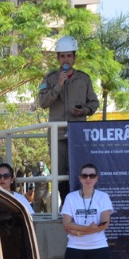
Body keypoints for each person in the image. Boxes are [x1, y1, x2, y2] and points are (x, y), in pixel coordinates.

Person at [38, 35, 99, 205]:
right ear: (58, 58)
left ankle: (81, 206)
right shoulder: (50, 78)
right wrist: (58, 86)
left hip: (77, 134)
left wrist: (83, 111)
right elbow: (42, 103)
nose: (66, 59)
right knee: (59, 174)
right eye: (62, 56)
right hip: (57, 135)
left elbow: (94, 103)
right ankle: (67, 206)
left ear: (74, 57)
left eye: (69, 56)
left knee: (79, 171)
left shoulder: (84, 79)